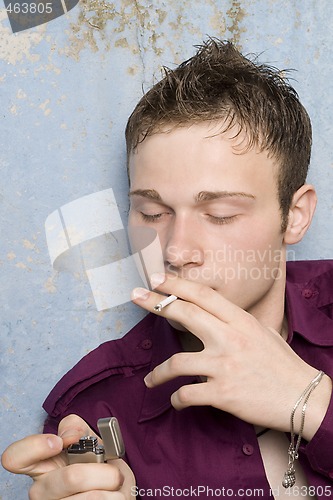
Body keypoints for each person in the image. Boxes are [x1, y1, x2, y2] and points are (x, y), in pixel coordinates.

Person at [2, 38, 333, 499]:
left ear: (295, 215)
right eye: (152, 213)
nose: (175, 251)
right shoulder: (96, 412)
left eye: (220, 214)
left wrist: (314, 403)